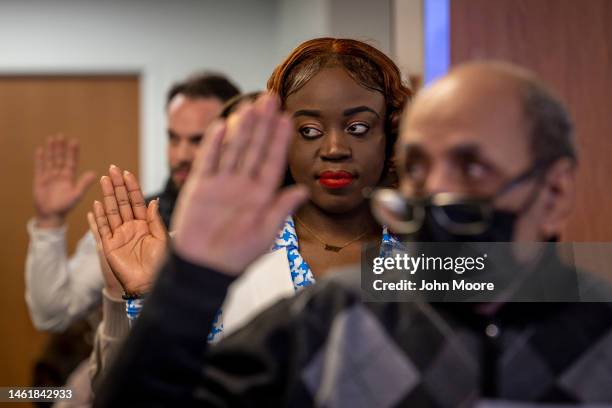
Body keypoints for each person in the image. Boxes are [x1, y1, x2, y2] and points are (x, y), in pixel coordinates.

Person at [95, 62, 612, 406]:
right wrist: (187, 282)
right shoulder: (335, 316)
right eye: (418, 168)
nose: (436, 191)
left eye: (471, 167)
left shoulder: (599, 322)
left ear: (554, 193)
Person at [94, 38, 411, 343]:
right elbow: (168, 388)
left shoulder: (429, 249)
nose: (335, 149)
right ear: (280, 137)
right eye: (309, 131)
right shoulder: (219, 251)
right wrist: (150, 291)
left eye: (357, 128)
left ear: (391, 134)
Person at [25, 73, 240, 331]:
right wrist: (49, 222)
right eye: (173, 138)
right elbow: (53, 313)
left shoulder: (263, 228)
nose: (181, 154)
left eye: (198, 140)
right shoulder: (131, 225)